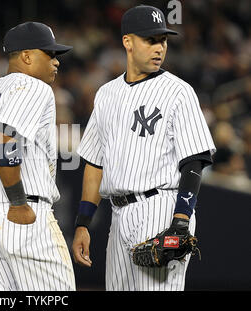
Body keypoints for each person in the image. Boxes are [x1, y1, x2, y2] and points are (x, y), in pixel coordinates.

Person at [72, 5, 216, 291]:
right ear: (128, 42)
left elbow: (194, 161)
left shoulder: (178, 91)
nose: (159, 47)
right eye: (150, 40)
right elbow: (95, 164)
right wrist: (83, 223)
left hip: (161, 208)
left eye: (163, 40)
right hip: (118, 214)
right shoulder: (106, 94)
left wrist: (181, 221)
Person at [0, 22, 76, 291]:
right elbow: (4, 136)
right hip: (21, 212)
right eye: (50, 54)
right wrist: (17, 202)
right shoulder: (33, 86)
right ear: (26, 56)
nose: (56, 62)